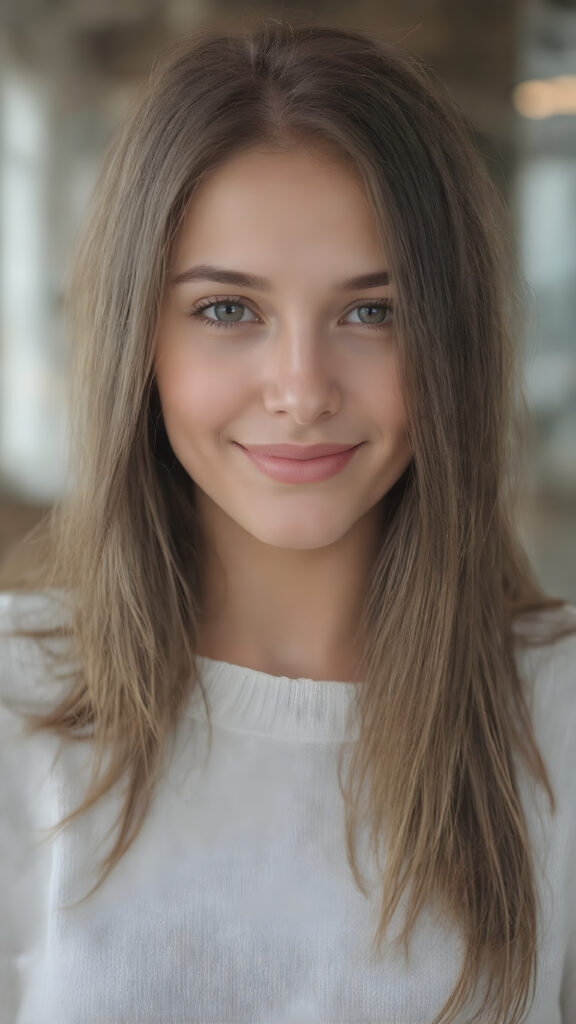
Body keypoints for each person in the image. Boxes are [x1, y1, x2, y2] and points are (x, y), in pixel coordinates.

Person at [0, 17, 575, 1024]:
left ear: (451, 342)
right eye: (229, 310)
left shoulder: (558, 711)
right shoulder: (14, 703)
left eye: (372, 311)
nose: (302, 390)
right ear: (141, 338)